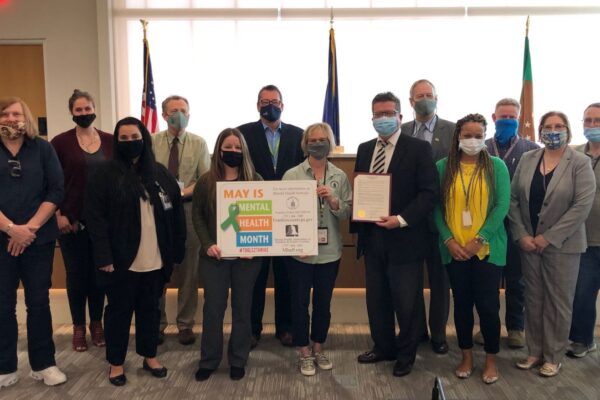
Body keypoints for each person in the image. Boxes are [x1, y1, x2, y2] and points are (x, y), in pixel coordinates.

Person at [85, 117, 186, 386]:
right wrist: (104, 257)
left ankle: (149, 355)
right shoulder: (104, 174)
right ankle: (116, 363)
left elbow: (176, 215)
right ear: (117, 142)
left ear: (145, 138)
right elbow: (95, 219)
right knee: (119, 313)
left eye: (135, 137)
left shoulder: (160, 173)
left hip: (156, 258)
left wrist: (176, 252)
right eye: (125, 139)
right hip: (120, 261)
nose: (131, 143)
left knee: (150, 310)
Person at [352, 92, 437, 377]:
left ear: (401, 116)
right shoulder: (364, 149)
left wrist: (400, 219)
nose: (383, 118)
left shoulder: (419, 149)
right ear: (372, 118)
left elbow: (428, 194)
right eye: (378, 114)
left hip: (405, 238)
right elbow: (361, 190)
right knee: (376, 299)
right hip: (373, 238)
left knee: (406, 301)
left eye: (389, 113)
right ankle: (383, 347)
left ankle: (406, 354)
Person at [509, 111, 595, 377]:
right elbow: (513, 200)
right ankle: (534, 352)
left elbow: (581, 206)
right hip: (529, 244)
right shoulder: (528, 158)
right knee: (534, 299)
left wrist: (549, 237)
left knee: (558, 302)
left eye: (559, 126)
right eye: (548, 127)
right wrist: (522, 234)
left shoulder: (580, 162)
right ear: (540, 130)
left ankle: (553, 356)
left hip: (563, 246)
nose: (553, 131)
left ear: (568, 130)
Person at [434, 113, 510, 384]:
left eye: (479, 135)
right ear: (457, 138)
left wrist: (479, 239)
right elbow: (435, 208)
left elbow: (502, 206)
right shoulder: (444, 167)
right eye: (467, 135)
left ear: (485, 136)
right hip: (454, 249)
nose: (473, 140)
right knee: (462, 305)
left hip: (487, 249)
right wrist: (449, 241)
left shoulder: (496, 166)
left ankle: (491, 359)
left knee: (489, 306)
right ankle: (466, 356)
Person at [0, 97, 67, 387]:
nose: (12, 119)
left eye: (17, 113)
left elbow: (56, 190)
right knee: (2, 305)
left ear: (25, 117)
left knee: (38, 303)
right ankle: (5, 366)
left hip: (37, 240)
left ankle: (44, 364)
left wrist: (29, 229)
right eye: (5, 114)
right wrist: (11, 229)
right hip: (1, 240)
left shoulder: (42, 148)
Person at [282, 123, 352, 376]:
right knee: (299, 303)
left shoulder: (339, 176)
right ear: (305, 143)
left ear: (330, 142)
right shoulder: (292, 175)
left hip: (330, 251)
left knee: (323, 303)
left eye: (323, 139)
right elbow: (282, 215)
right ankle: (303, 350)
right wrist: (293, 244)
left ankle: (318, 346)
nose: (318, 143)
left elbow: (347, 211)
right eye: (313, 140)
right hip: (299, 253)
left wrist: (333, 200)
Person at [192, 128, 262, 382]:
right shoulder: (206, 182)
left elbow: (265, 219)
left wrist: (254, 247)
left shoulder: (256, 180)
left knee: (243, 310)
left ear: (243, 150)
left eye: (236, 147)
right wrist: (208, 242)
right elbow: (197, 215)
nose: (232, 151)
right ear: (218, 150)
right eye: (227, 147)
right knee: (213, 310)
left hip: (247, 261)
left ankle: (238, 359)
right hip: (214, 259)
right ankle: (209, 360)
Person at [237, 84, 304, 347]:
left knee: (287, 274)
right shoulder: (242, 134)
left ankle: (285, 327)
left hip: (289, 213)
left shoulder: (299, 135)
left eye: (274, 101)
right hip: (257, 212)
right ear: (257, 106)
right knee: (256, 274)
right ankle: (253, 329)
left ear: (283, 105)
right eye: (264, 102)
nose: (270, 106)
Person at [473, 98, 539, 349]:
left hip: (517, 225)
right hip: (486, 225)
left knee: (516, 280)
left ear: (519, 119)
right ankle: (487, 326)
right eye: (503, 117)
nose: (507, 121)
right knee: (487, 280)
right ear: (493, 118)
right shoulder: (481, 147)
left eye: (512, 117)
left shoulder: (531, 149)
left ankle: (515, 328)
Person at [51, 89, 113, 352]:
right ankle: (78, 326)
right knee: (77, 276)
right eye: (79, 110)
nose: (84, 113)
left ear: (95, 109)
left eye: (88, 109)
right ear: (72, 113)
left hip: (104, 223)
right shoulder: (60, 142)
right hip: (71, 221)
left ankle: (96, 324)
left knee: (99, 273)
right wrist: (59, 215)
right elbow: (51, 182)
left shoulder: (111, 141)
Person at [400, 79, 455, 354]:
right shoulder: (402, 130)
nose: (424, 99)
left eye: (428, 95)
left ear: (437, 98)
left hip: (442, 218)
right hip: (410, 218)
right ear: (410, 101)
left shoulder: (454, 131)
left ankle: (439, 335)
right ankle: (417, 331)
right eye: (419, 95)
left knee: (439, 281)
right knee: (411, 281)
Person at [153, 95, 210, 346]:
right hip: (156, 213)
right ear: (164, 115)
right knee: (157, 269)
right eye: (174, 110)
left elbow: (204, 179)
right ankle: (156, 323)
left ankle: (185, 324)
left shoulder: (199, 143)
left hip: (188, 210)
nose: (179, 114)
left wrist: (180, 193)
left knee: (189, 270)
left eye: (183, 110)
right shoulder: (151, 142)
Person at [568, 103, 600, 358]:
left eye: (597, 121)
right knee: (582, 293)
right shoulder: (575, 155)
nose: (592, 126)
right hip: (585, 239)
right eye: (587, 121)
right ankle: (582, 339)